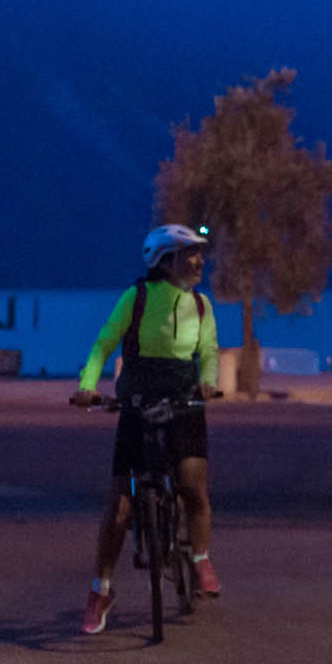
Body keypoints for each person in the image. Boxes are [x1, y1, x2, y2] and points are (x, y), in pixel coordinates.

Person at [71, 224, 222, 635]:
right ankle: (101, 589)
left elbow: (208, 350)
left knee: (193, 485)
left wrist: (208, 381)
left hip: (184, 401)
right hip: (137, 403)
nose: (199, 261)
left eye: (199, 254)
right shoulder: (136, 298)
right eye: (190, 254)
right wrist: (88, 386)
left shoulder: (201, 305)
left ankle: (200, 558)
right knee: (120, 504)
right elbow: (104, 343)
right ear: (165, 261)